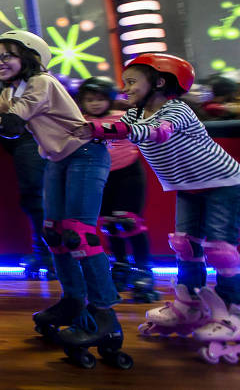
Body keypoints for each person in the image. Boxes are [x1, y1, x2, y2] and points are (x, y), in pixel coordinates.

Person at [0, 30, 130, 368]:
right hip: (56, 159)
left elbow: (10, 122)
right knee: (53, 232)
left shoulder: (42, 83)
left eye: (6, 56)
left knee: (79, 233)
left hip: (85, 155)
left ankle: (105, 316)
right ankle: (73, 300)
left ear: (30, 56)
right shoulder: (12, 89)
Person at [89, 54, 240, 361]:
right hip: (187, 187)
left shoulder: (177, 109)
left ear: (158, 82)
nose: (125, 88)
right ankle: (189, 303)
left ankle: (232, 312)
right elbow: (119, 126)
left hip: (224, 183)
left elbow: (159, 130)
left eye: (132, 82)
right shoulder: (135, 113)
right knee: (185, 246)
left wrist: (104, 130)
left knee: (220, 249)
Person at [0, 62, 53, 280]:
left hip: (30, 145)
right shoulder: (11, 90)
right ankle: (49, 256)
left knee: (36, 200)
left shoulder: (9, 89)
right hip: (40, 146)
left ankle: (49, 256)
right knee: (39, 201)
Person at [76, 77, 157, 303]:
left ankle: (143, 270)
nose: (94, 104)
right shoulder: (80, 120)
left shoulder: (123, 117)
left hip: (128, 174)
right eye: (89, 99)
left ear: (109, 99)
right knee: (110, 224)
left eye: (100, 99)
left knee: (129, 222)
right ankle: (120, 265)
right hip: (100, 176)